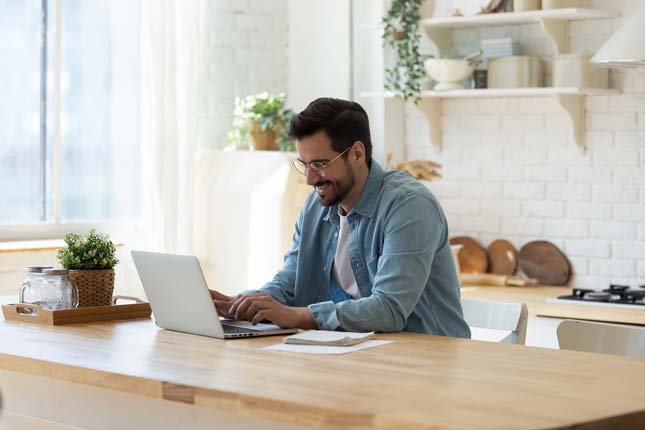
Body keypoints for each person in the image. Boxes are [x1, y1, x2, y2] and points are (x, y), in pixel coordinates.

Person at [210, 97, 470, 337]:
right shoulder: (315, 206)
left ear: (357, 154)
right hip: (361, 355)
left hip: (428, 361)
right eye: (304, 164)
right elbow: (291, 281)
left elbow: (389, 308)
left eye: (319, 165)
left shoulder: (409, 206)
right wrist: (241, 304)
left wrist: (295, 316)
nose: (310, 179)